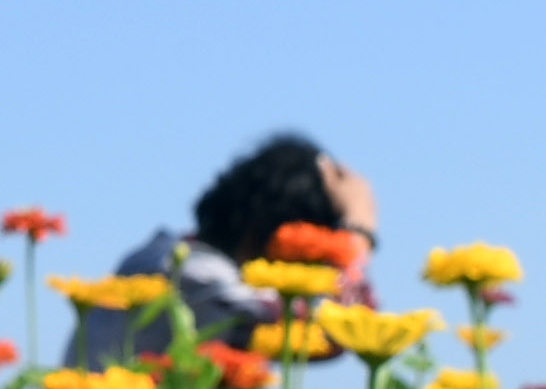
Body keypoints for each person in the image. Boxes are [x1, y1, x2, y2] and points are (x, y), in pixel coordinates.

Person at [66, 129, 382, 365]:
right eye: (317, 255)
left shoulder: (159, 257)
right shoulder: (187, 275)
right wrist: (357, 232)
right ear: (277, 235)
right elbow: (331, 332)